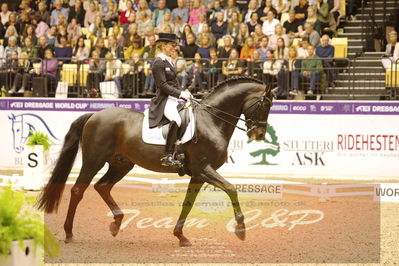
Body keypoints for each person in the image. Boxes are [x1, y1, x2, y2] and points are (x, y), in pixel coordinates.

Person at [149, 33, 192, 167]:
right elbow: (162, 85)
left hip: (174, 99)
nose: (174, 48)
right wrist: (180, 94)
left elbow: (173, 82)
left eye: (175, 46)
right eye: (172, 45)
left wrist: (184, 93)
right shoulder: (158, 62)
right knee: (177, 120)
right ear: (163, 45)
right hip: (165, 100)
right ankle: (167, 155)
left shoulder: (169, 61)